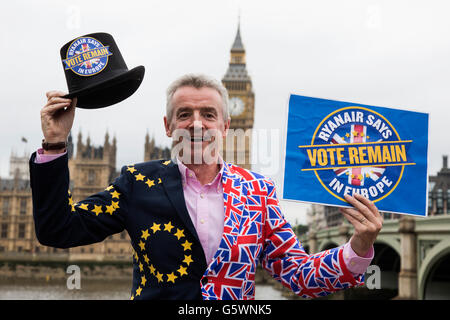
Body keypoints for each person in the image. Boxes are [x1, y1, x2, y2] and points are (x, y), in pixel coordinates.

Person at [30, 74, 383, 300]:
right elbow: (58, 229)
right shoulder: (138, 182)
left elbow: (297, 274)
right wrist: (55, 144)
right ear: (168, 126)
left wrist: (360, 245)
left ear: (225, 126)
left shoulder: (256, 191)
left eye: (208, 115)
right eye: (184, 114)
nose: (196, 123)